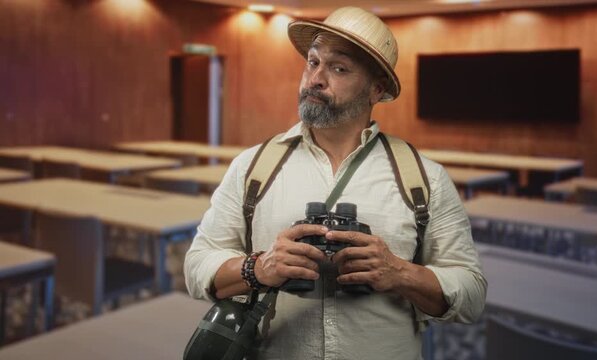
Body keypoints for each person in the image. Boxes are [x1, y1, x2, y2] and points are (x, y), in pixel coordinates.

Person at [185, 6, 487, 359]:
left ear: (376, 89)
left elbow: (472, 293)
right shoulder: (252, 167)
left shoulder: (425, 178)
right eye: (313, 62)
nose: (315, 79)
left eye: (339, 68)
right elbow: (196, 264)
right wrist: (259, 267)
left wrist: (400, 273)